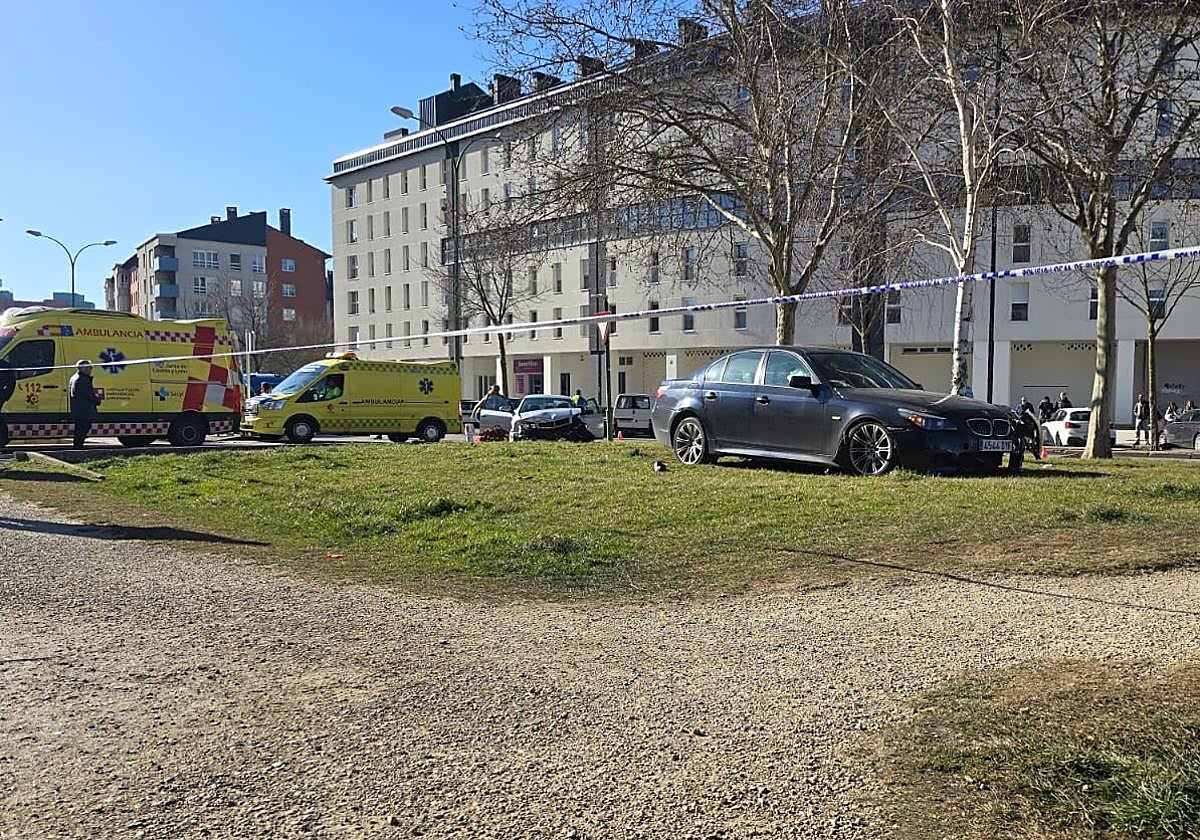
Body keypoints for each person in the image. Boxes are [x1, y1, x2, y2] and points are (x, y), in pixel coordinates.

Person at [68, 360, 101, 449]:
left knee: (80, 428)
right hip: (84, 409)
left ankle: (78, 445)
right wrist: (97, 400)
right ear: (83, 368)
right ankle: (78, 447)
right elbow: (88, 395)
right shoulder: (83, 380)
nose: (91, 370)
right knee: (83, 428)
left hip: (78, 409)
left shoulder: (75, 378)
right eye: (89, 368)